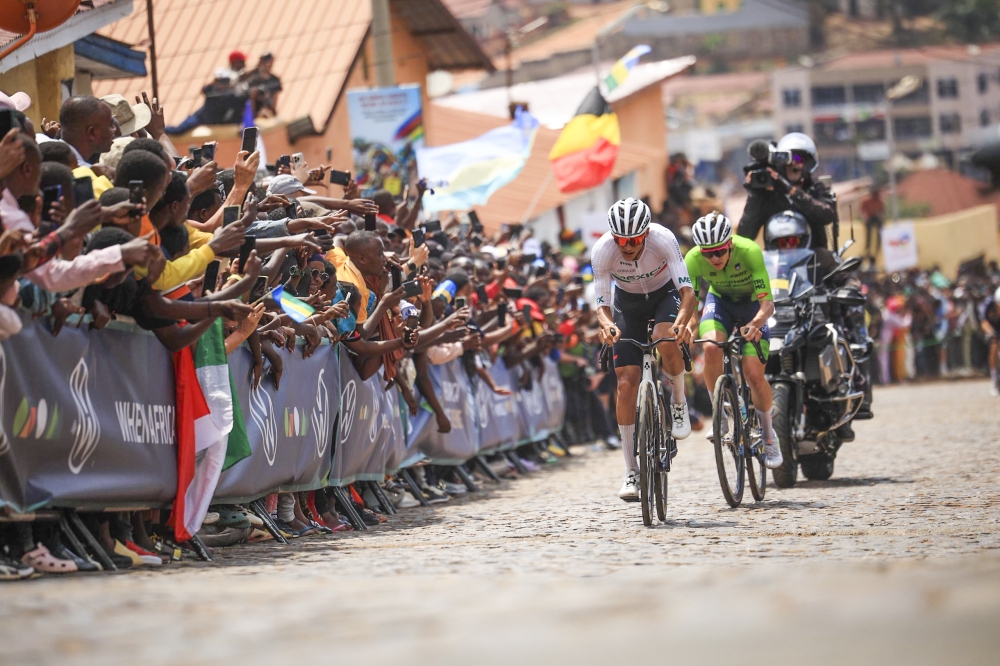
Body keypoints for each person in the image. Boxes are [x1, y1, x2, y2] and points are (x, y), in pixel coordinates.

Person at [592, 198, 696, 502]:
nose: (627, 246)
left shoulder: (663, 239)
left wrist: (681, 322)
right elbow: (602, 305)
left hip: (665, 295)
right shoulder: (602, 250)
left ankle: (678, 404)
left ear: (646, 233)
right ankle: (631, 470)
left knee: (666, 339)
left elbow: (687, 292)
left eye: (634, 240)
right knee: (625, 383)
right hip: (628, 304)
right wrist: (608, 326)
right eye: (621, 240)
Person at [685, 212, 782, 469]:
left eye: (718, 251)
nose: (714, 258)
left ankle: (770, 436)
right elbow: (691, 307)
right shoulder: (693, 259)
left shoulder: (749, 250)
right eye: (708, 253)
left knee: (753, 373)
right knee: (710, 348)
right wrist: (688, 327)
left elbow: (768, 304)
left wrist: (755, 324)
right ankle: (722, 414)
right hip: (720, 305)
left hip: (753, 308)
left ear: (729, 243)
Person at [738, 132, 838, 251]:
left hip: (814, 262)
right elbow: (744, 236)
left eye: (798, 158)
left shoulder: (817, 189)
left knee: (831, 262)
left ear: (809, 163)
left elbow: (827, 215)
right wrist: (755, 195)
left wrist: (790, 190)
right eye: (787, 159)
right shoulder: (769, 195)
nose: (793, 163)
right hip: (776, 264)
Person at [245, 52, 282, 117]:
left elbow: (275, 98)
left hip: (269, 110)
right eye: (268, 61)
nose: (270, 64)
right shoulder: (253, 78)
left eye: (271, 62)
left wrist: (273, 112)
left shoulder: (275, 79)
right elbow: (250, 97)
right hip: (256, 110)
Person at [982, 286, 1000, 396]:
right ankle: (994, 377)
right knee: (994, 347)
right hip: (993, 330)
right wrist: (992, 333)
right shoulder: (989, 305)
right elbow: (983, 322)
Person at [860, 187, 884, 266]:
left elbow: (882, 210)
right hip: (869, 217)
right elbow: (863, 210)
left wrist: (881, 217)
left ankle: (878, 246)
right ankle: (867, 248)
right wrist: (865, 217)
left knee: (880, 228)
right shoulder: (866, 201)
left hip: (875, 216)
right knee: (868, 232)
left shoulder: (879, 201)